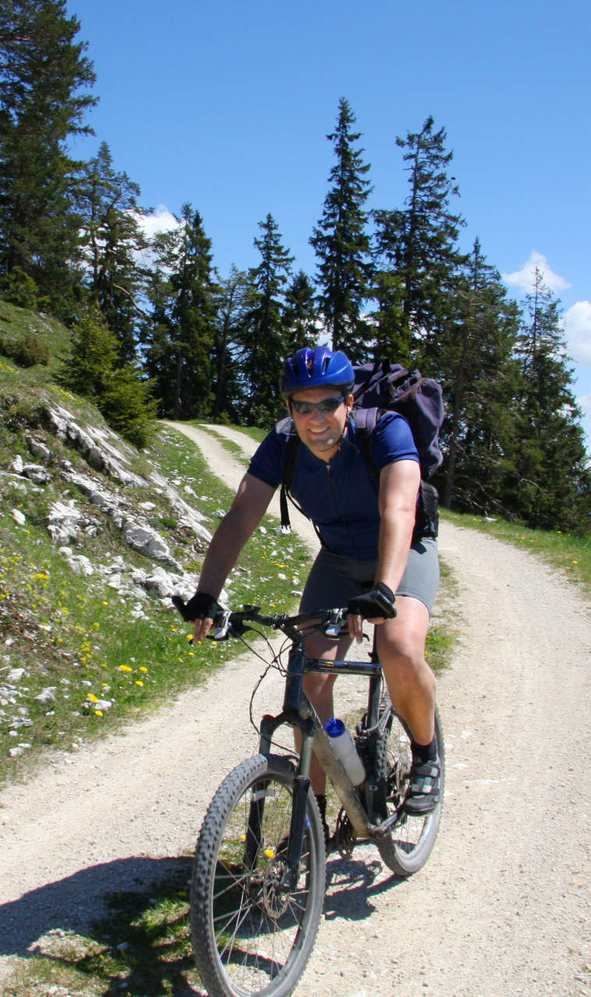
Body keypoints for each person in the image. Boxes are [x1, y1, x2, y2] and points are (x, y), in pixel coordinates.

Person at [179, 345, 441, 829]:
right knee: (307, 682)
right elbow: (241, 516)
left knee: (399, 649)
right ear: (288, 408)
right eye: (302, 405)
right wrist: (207, 594)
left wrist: (384, 589)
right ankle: (313, 818)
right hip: (339, 560)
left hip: (404, 553)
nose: (315, 417)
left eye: (327, 404)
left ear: (349, 401)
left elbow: (399, 511)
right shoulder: (282, 444)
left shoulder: (385, 430)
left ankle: (426, 756)